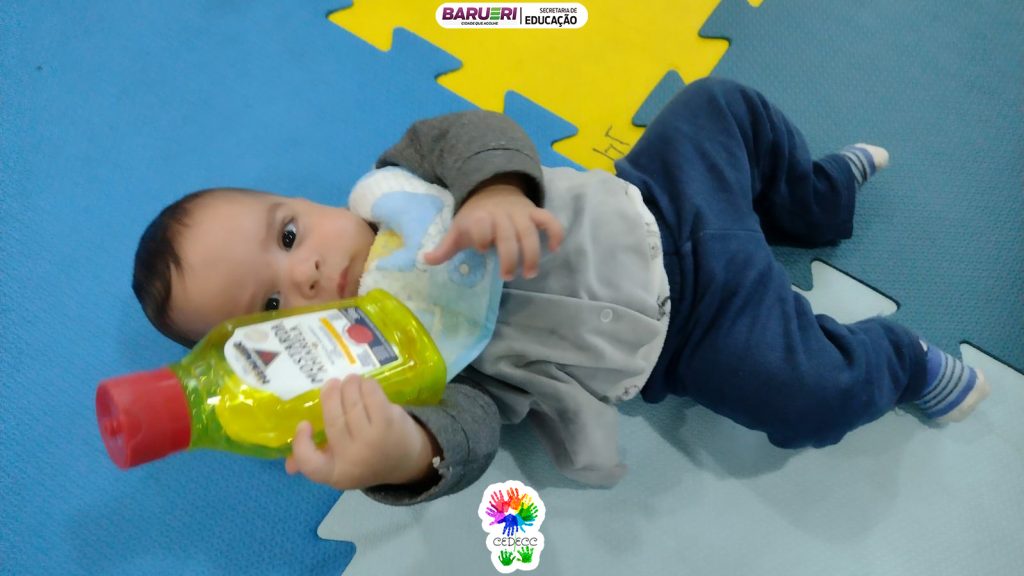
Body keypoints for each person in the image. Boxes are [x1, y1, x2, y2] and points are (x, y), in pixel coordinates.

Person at [131, 77, 989, 505]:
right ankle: (901, 361)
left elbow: (474, 131)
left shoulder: (402, 181)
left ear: (304, 202)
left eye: (287, 236)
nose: (304, 275)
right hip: (691, 331)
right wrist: (400, 454)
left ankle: (815, 195)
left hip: (661, 193)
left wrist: (495, 190)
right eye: (271, 309)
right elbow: (465, 433)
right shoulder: (405, 364)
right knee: (807, 395)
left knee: (718, 101)